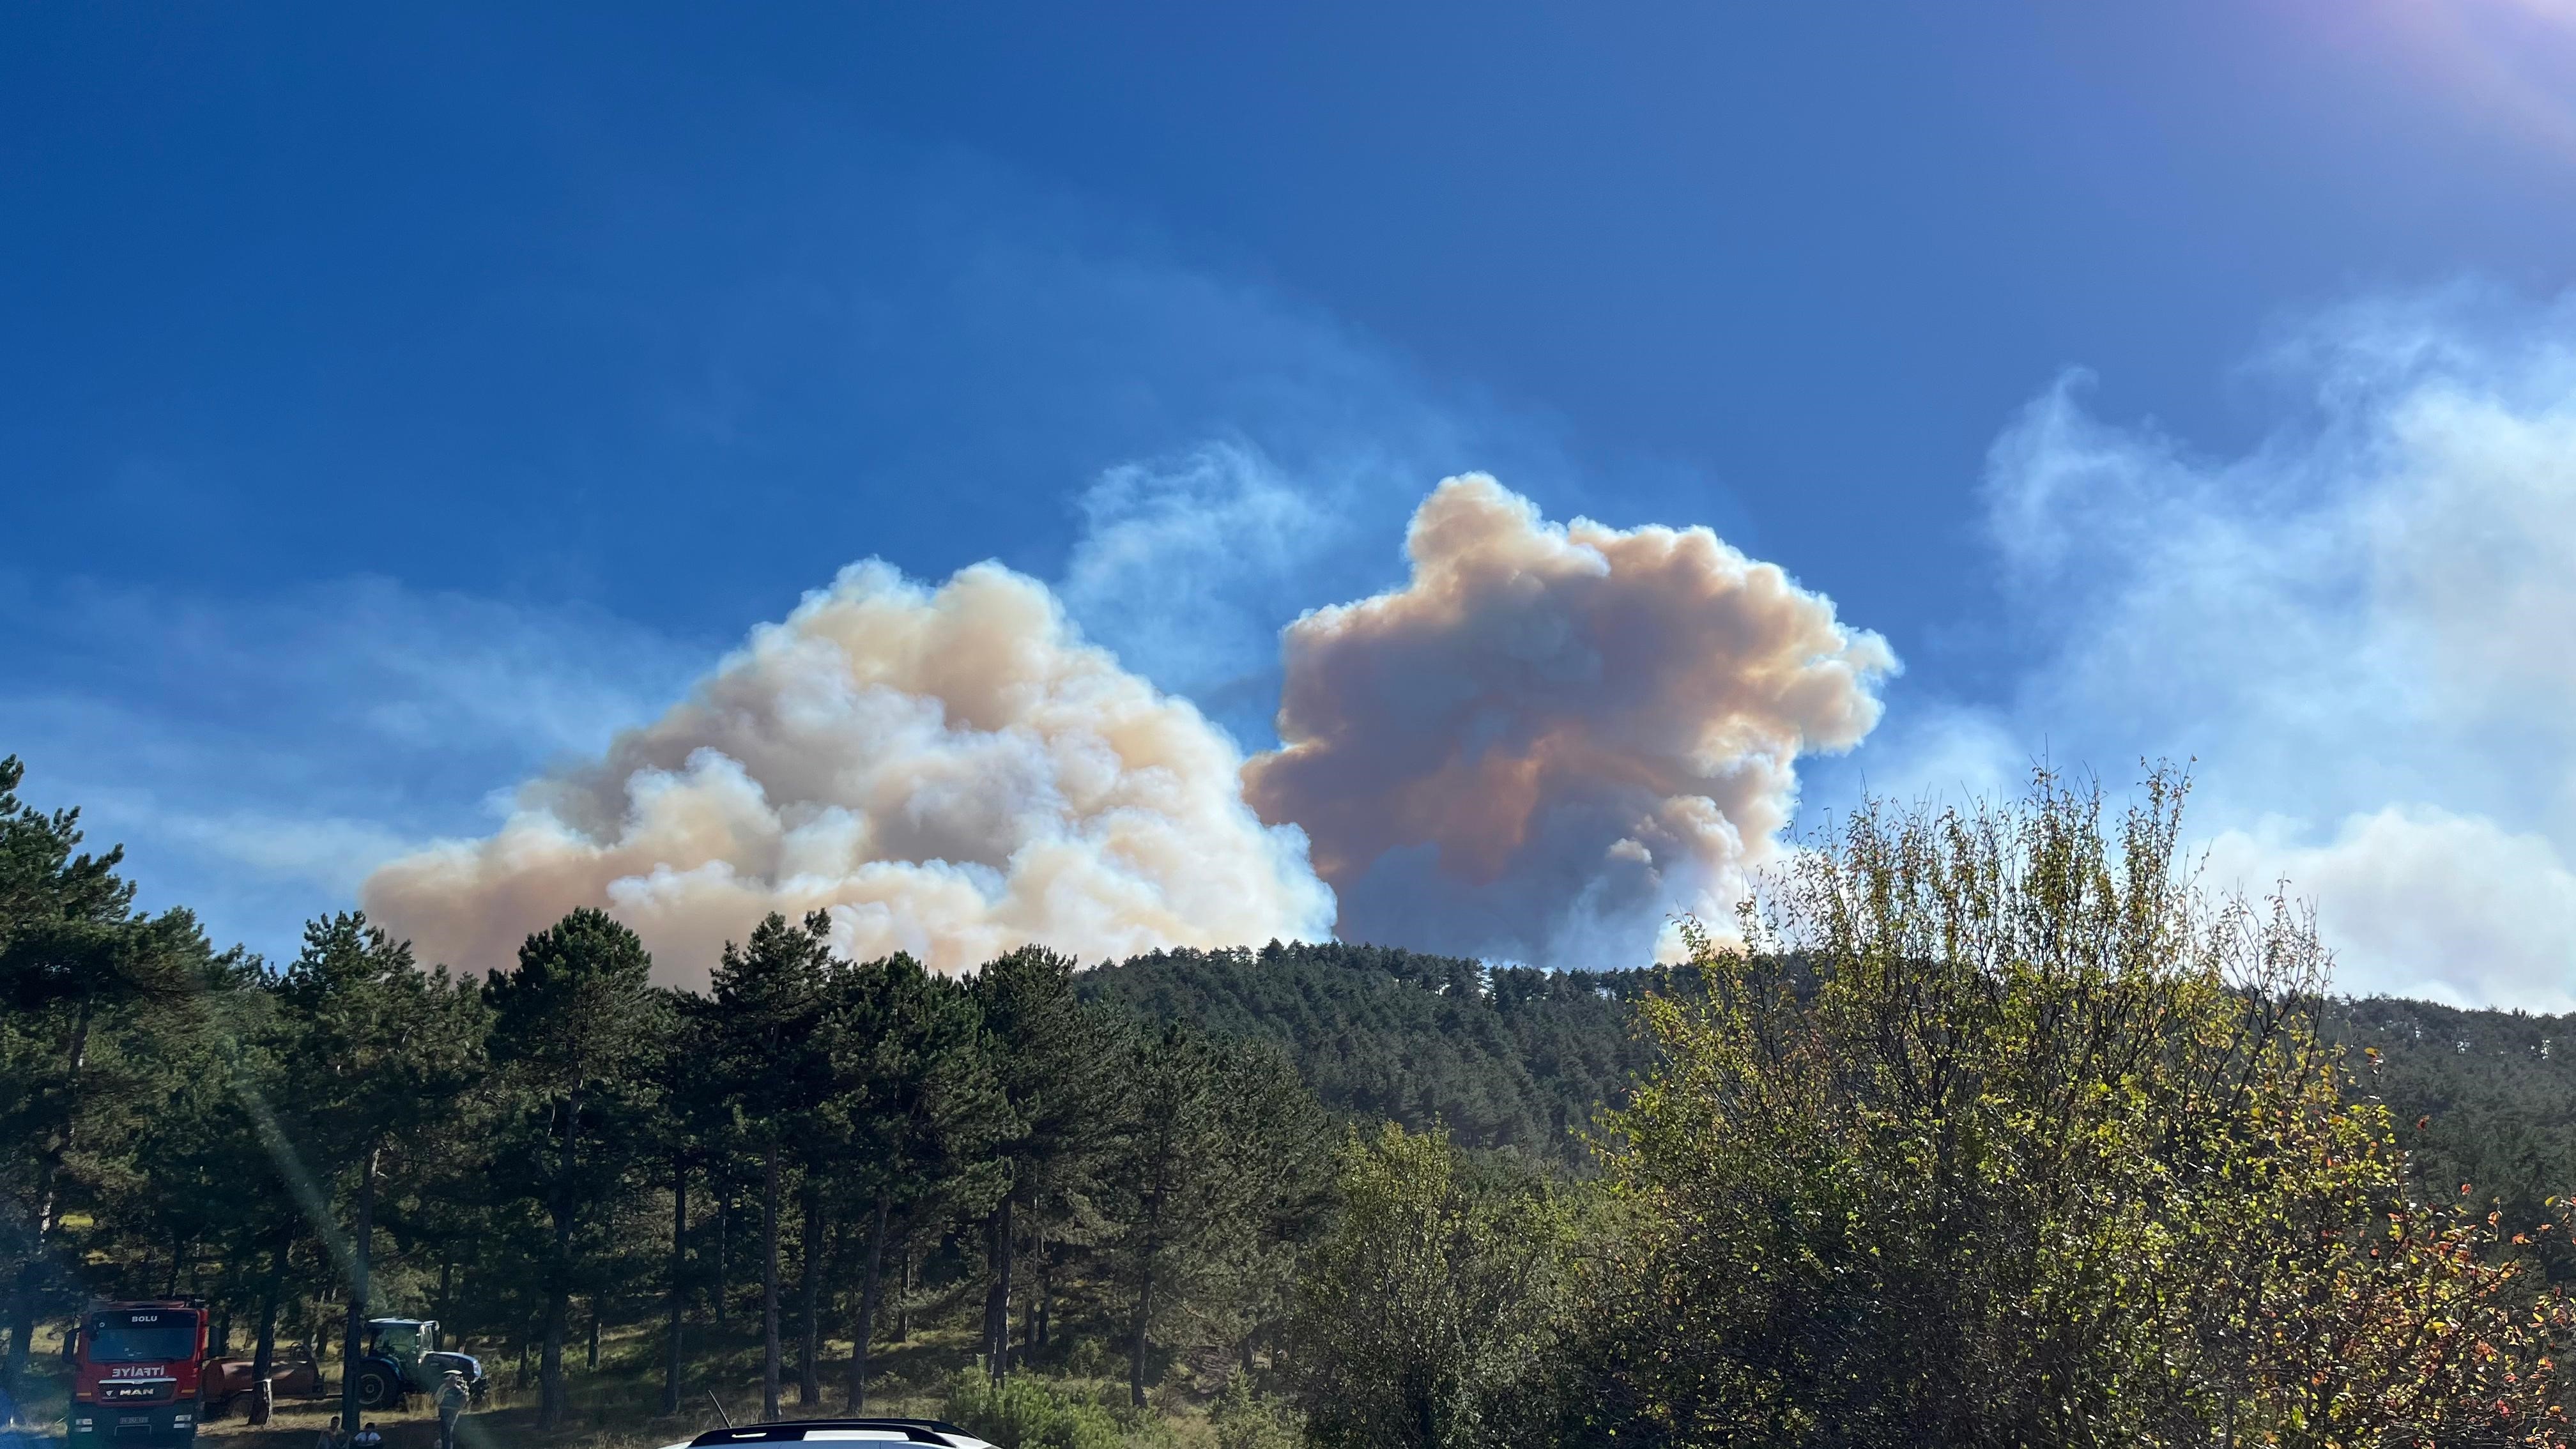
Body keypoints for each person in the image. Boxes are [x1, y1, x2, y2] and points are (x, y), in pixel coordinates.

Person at [436, 1371, 470, 1449]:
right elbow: (438, 1399)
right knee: (444, 1434)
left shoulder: (456, 1390)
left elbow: (464, 1398)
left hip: (450, 1414)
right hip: (444, 1414)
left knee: (447, 1434)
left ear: (453, 1382)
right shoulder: (445, 1389)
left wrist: (457, 1408)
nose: (447, 1382)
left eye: (448, 1381)